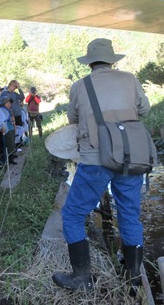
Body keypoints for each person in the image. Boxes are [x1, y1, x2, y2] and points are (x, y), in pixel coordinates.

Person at [52, 38, 151, 296]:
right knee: (129, 213)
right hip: (130, 155)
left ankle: (82, 277)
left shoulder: (80, 86)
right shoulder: (130, 79)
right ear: (112, 60)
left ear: (90, 62)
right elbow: (144, 110)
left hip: (95, 158)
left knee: (73, 214)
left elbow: (72, 118)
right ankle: (132, 277)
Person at [0, 96, 17, 165]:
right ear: (3, 103)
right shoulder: (2, 110)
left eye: (9, 102)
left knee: (11, 143)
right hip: (6, 128)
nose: (9, 104)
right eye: (7, 102)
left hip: (10, 127)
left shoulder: (9, 110)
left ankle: (11, 157)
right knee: (8, 144)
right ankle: (9, 159)